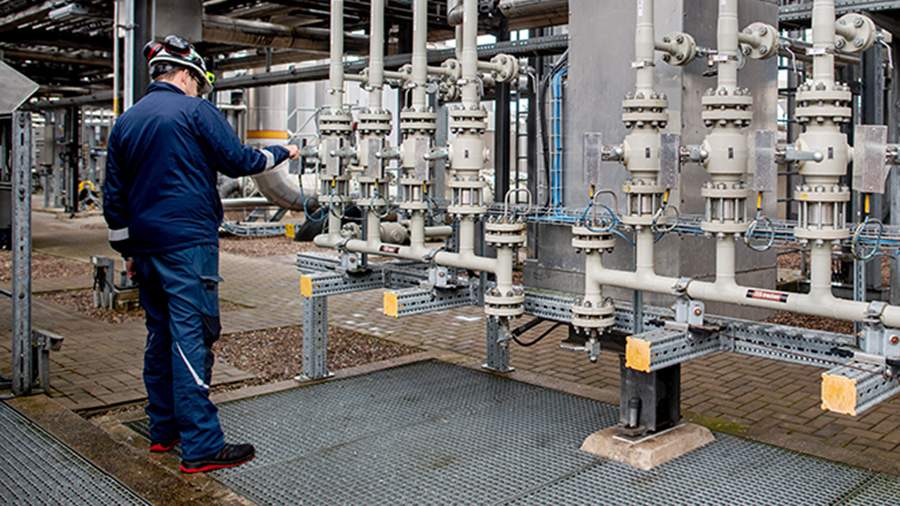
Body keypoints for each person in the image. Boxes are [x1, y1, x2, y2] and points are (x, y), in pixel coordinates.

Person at [103, 35, 299, 473]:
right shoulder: (195, 111)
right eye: (198, 82)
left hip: (145, 248)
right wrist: (281, 151)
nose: (198, 89)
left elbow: (113, 197)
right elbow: (240, 161)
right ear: (186, 75)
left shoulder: (127, 121)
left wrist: (127, 249)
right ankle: (201, 445)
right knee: (193, 336)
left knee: (159, 335)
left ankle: (163, 430)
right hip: (188, 245)